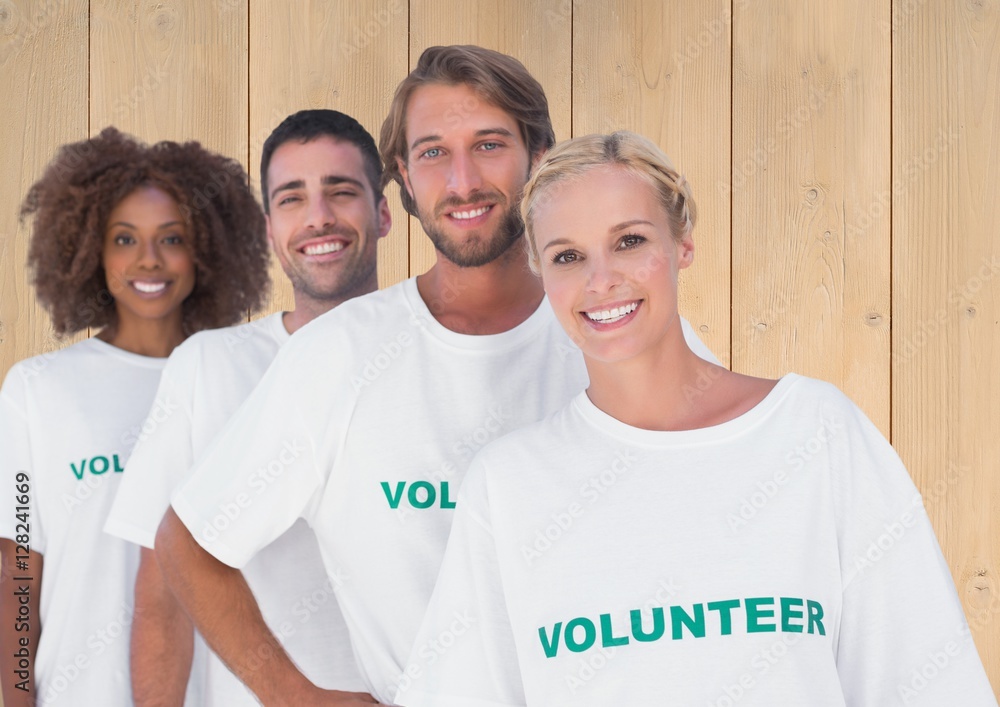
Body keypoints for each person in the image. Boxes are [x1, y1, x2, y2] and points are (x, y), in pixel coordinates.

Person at [153, 45, 718, 705]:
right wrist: (292, 693)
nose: (462, 182)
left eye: (488, 145)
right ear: (403, 178)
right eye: (432, 153)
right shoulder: (338, 358)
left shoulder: (627, 328)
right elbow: (188, 540)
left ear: (538, 157)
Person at [394, 131, 1000, 707]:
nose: (601, 279)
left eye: (629, 241)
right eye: (567, 255)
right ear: (541, 274)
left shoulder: (815, 435)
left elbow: (927, 682)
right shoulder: (509, 485)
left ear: (681, 243)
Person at [103, 110, 387, 705]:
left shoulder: (434, 355)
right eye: (292, 198)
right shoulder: (208, 368)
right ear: (267, 229)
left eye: (341, 191)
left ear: (383, 212)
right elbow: (161, 596)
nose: (318, 217)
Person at [0, 127, 269, 706]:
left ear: (207, 248)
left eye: (171, 238)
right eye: (125, 239)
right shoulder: (39, 390)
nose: (148, 259)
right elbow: (16, 570)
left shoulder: (247, 383)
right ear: (89, 250)